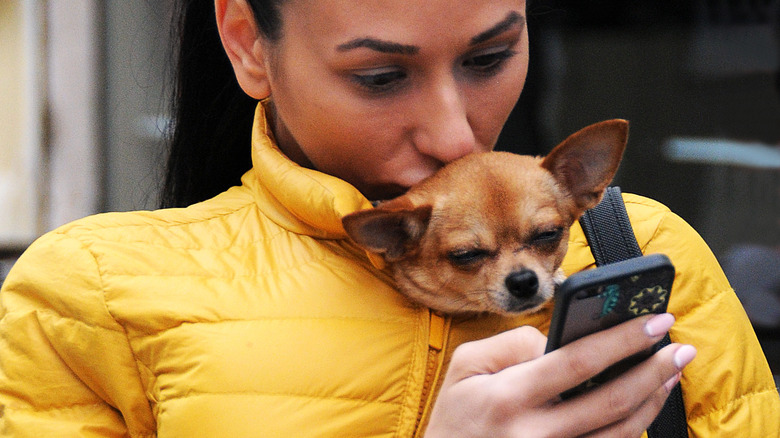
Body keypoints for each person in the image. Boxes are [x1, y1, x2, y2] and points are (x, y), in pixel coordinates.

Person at [0, 0, 777, 436]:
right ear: (248, 46)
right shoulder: (97, 295)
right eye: (380, 76)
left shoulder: (642, 250)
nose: (452, 132)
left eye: (488, 58)